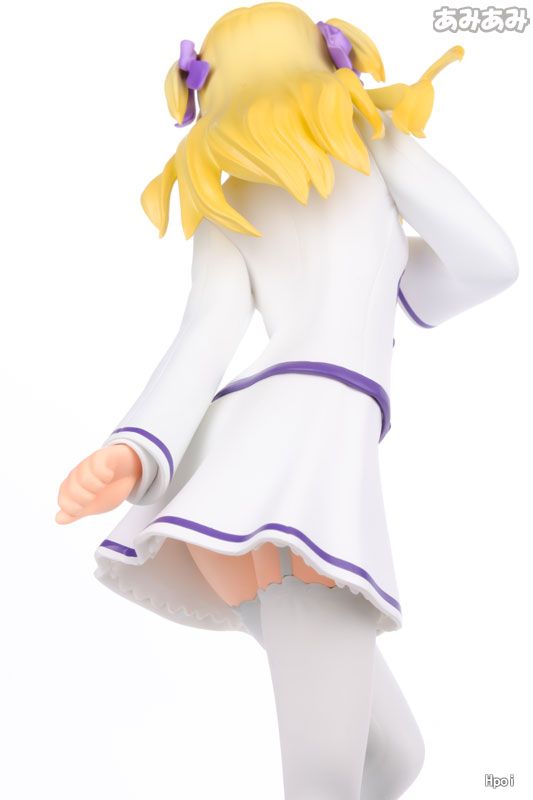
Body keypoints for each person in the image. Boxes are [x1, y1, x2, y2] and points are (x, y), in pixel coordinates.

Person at [56, 4, 518, 798]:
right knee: (326, 776)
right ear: (333, 62)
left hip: (234, 483)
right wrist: (383, 136)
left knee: (393, 759)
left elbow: (206, 340)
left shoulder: (232, 206)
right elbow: (490, 263)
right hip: (298, 483)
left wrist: (136, 449)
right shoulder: (365, 154)